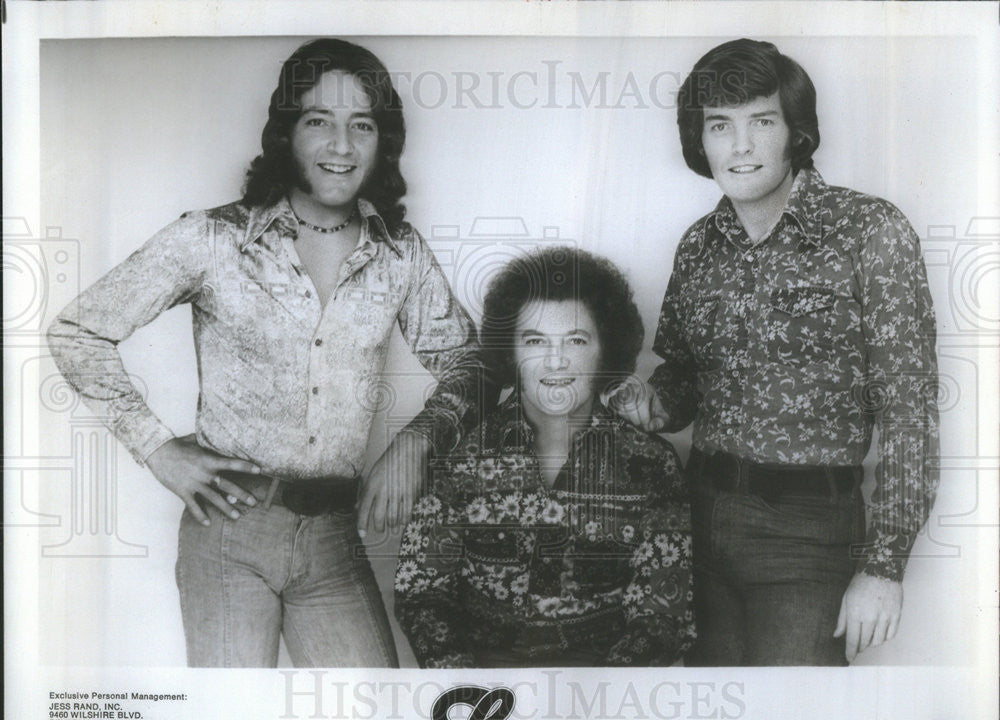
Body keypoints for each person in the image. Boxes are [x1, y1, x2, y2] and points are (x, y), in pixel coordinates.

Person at [47, 38, 493, 668]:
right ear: (286, 133)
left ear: (381, 140)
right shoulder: (213, 237)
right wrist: (156, 449)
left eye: (360, 125)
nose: (341, 146)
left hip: (337, 540)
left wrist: (420, 438)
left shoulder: (401, 252)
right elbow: (77, 330)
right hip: (228, 531)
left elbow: (474, 367)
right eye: (319, 121)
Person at [612, 39, 939, 665]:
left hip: (809, 533)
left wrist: (885, 566)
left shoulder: (869, 231)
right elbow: (683, 376)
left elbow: (909, 410)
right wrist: (652, 406)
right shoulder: (699, 245)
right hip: (697, 519)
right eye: (719, 125)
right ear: (698, 141)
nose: (740, 146)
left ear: (795, 133)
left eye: (762, 121)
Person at [394, 247, 695, 668]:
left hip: (599, 693)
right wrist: (468, 688)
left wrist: (599, 703)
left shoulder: (649, 464)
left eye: (575, 340)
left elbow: (662, 615)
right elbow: (422, 592)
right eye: (535, 341)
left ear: (605, 350)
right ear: (510, 352)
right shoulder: (463, 458)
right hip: (485, 689)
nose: (555, 360)